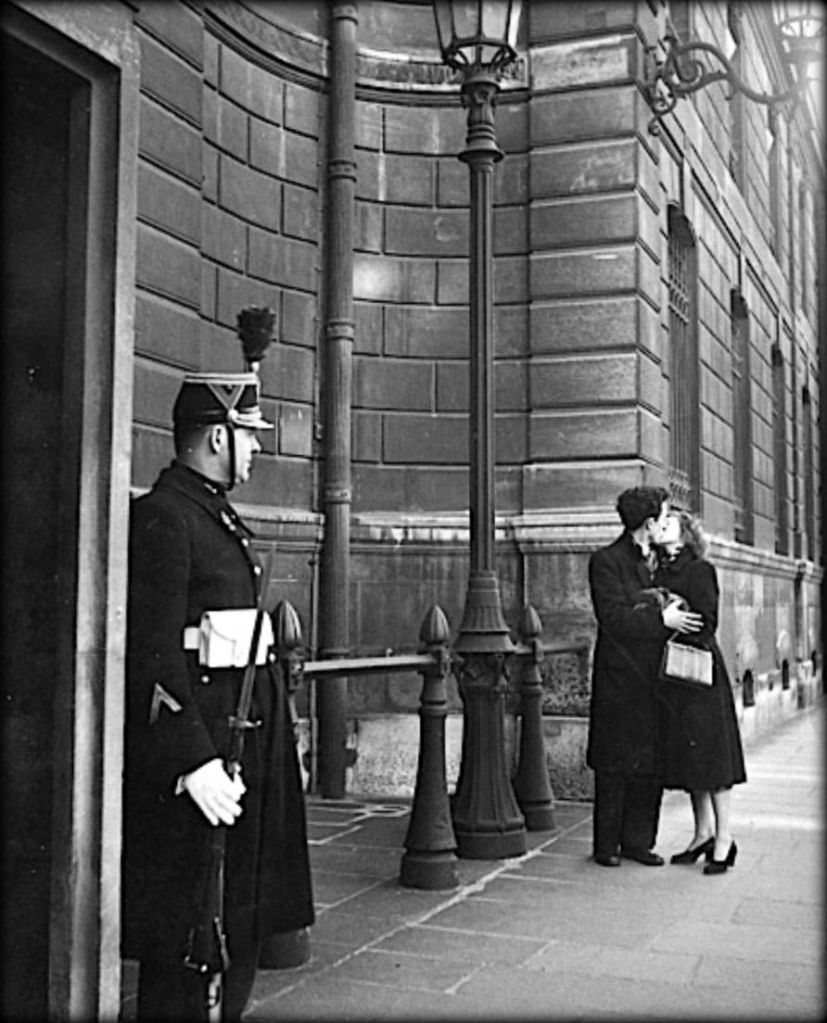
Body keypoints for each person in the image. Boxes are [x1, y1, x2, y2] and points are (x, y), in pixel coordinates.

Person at [122, 372, 315, 1021]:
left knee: (237, 926)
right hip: (205, 758)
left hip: (241, 750)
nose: (256, 448)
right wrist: (190, 761)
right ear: (215, 437)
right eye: (247, 435)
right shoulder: (164, 516)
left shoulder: (214, 512)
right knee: (187, 943)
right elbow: (150, 653)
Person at [586, 486, 703, 867]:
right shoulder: (606, 561)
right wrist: (661, 618)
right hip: (620, 679)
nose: (667, 522)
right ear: (649, 522)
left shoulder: (660, 560)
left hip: (654, 678)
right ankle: (607, 846)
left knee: (649, 763)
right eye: (664, 516)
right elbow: (613, 618)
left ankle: (638, 842)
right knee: (614, 763)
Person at [654, 510, 747, 874]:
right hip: (673, 678)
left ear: (685, 534)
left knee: (713, 757)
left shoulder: (700, 569)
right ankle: (702, 833)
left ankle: (724, 839)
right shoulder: (658, 569)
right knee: (691, 759)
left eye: (668, 523)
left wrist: (673, 616)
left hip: (701, 673)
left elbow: (707, 622)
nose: (661, 526)